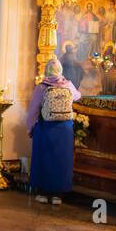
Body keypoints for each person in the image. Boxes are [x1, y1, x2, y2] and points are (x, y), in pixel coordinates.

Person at [26, 58, 81, 205]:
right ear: (60, 70)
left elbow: (33, 111)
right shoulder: (68, 85)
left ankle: (43, 193)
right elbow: (78, 96)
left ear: (47, 70)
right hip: (64, 128)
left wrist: (30, 127)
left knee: (44, 158)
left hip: (46, 128)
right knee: (61, 160)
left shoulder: (42, 87)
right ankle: (58, 195)